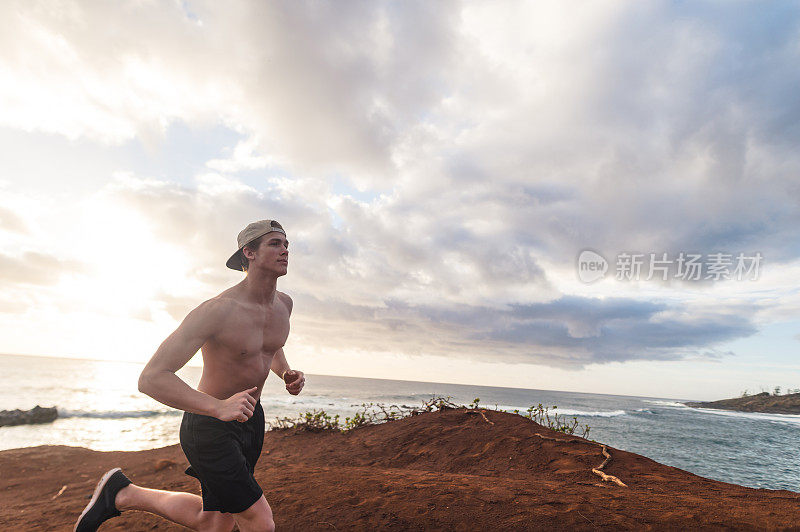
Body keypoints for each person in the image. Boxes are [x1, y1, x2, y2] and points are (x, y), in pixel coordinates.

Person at [74, 219, 305, 532]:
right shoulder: (217, 310)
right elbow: (152, 378)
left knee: (213, 523)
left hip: (251, 421)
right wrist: (218, 407)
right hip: (209, 426)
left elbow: (269, 346)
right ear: (248, 253)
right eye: (275, 244)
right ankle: (121, 493)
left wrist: (285, 372)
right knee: (260, 522)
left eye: (286, 244)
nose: (285, 251)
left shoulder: (284, 306)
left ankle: (122, 493)